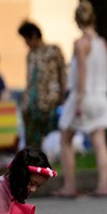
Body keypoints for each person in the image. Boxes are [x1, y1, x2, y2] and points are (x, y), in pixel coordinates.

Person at [55, 0, 107, 197]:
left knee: (65, 139)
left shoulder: (81, 43)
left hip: (85, 96)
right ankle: (103, 186)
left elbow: (82, 72)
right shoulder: (103, 43)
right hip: (101, 97)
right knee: (100, 142)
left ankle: (70, 186)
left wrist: (78, 100)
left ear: (76, 20)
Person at [17, 20, 68, 150]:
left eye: (27, 39)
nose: (26, 44)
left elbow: (62, 73)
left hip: (49, 101)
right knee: (32, 139)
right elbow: (29, 80)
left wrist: (63, 95)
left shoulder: (53, 51)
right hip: (31, 105)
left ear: (34, 36)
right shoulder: (30, 55)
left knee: (49, 135)